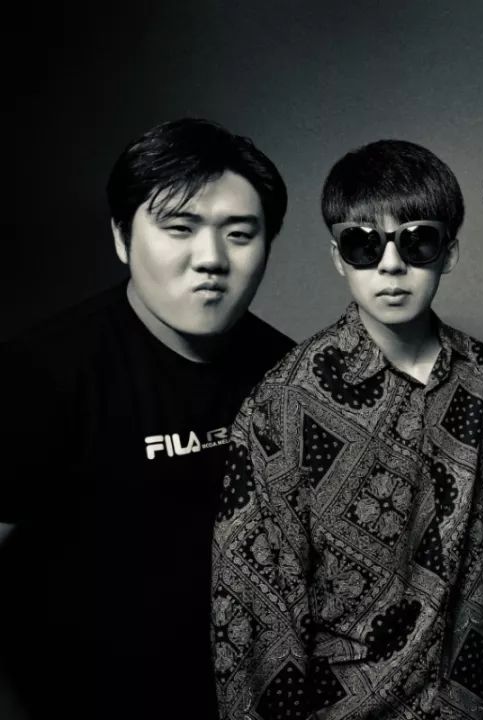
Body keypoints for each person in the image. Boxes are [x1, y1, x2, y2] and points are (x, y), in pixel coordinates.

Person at [0, 118, 294, 719]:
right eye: (179, 228)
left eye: (240, 234)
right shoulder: (39, 373)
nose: (210, 259)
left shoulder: (292, 376)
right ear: (121, 237)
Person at [211, 140, 483, 719]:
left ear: (449, 253)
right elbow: (254, 610)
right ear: (338, 258)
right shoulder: (283, 403)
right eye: (363, 244)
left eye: (416, 241)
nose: (390, 265)